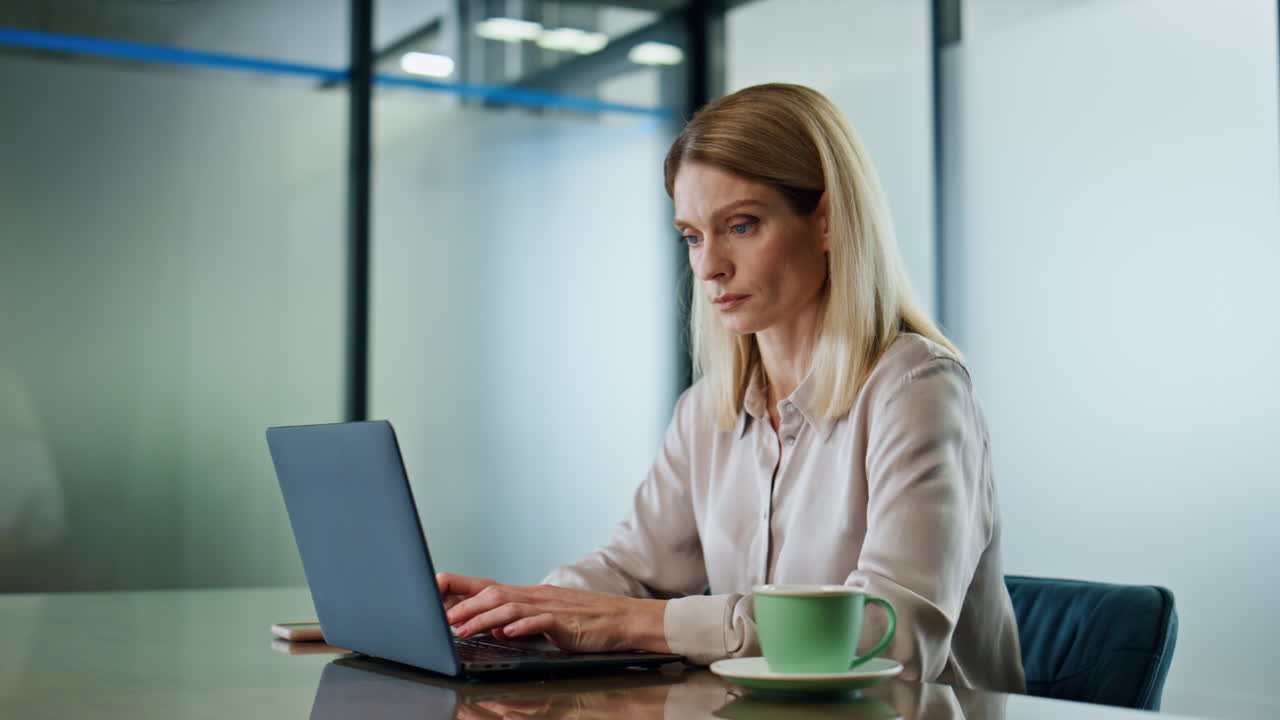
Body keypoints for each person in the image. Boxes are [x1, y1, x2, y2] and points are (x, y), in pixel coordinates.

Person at [439, 83, 1026, 693]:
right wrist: (505, 613)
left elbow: (893, 639)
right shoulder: (705, 411)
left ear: (826, 221)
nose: (707, 266)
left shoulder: (915, 387)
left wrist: (654, 624)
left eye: (740, 226)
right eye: (692, 236)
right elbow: (633, 573)